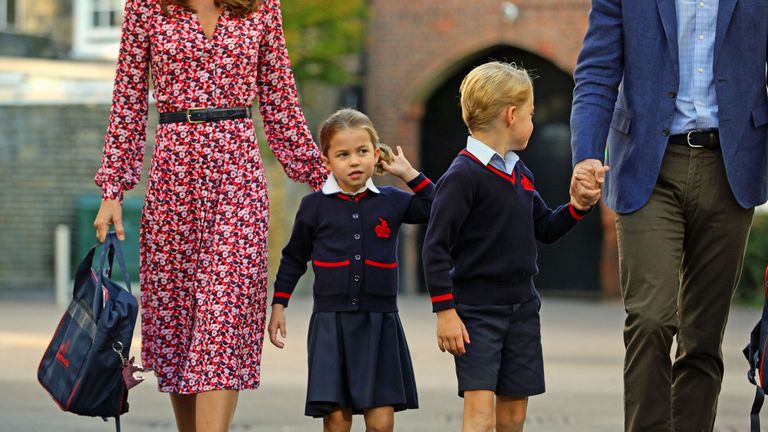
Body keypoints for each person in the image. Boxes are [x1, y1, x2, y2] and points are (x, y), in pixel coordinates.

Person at [91, 0, 328, 430]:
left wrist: (325, 180)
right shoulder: (146, 7)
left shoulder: (260, 7)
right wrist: (113, 188)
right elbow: (127, 99)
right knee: (180, 323)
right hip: (172, 177)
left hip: (237, 174)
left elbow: (279, 101)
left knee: (226, 314)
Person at [569, 1, 768, 430]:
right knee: (651, 318)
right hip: (647, 165)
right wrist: (586, 154)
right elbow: (597, 72)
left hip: (731, 166)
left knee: (703, 336)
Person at [422, 61, 604, 432]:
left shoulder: (520, 173)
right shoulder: (462, 175)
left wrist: (578, 207)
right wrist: (445, 312)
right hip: (476, 314)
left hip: (522, 309)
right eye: (531, 114)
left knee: (512, 418)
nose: (532, 123)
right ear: (511, 114)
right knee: (480, 418)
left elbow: (547, 228)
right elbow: (435, 247)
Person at [267, 108, 433, 432]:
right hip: (331, 324)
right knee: (337, 421)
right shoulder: (314, 206)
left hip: (380, 322)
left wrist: (409, 174)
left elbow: (438, 206)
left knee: (382, 422)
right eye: (343, 154)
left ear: (376, 154)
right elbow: (293, 258)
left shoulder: (392, 201)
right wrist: (279, 305)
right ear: (327, 162)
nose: (354, 161)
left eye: (362, 152)